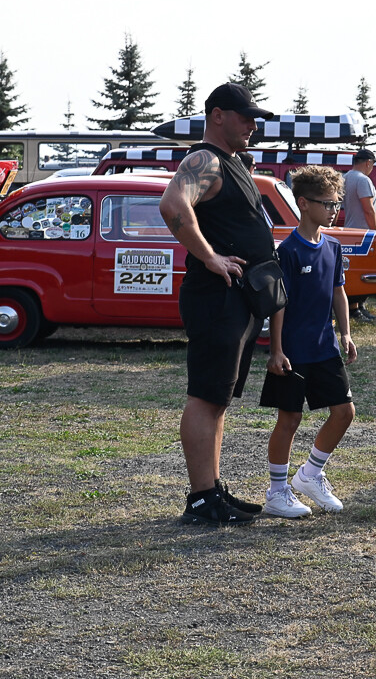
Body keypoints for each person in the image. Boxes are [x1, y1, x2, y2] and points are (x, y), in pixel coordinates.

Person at [159, 82, 275, 527]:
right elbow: (173, 205)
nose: (252, 124)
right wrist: (209, 257)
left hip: (238, 298)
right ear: (217, 115)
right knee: (206, 396)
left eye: (254, 117)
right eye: (245, 116)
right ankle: (202, 498)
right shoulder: (203, 159)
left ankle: (211, 488)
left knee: (219, 398)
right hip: (217, 296)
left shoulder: (231, 161)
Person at [260, 165, 358, 517]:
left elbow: (338, 292)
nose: (334, 210)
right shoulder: (287, 251)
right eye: (327, 204)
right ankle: (276, 492)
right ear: (303, 203)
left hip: (325, 348)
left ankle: (311, 474)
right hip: (292, 352)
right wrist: (277, 349)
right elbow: (279, 303)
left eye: (336, 204)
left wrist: (345, 332)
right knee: (289, 419)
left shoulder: (333, 246)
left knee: (344, 412)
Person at [343, 148, 376, 322]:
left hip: (352, 229)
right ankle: (354, 310)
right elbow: (368, 208)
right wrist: (375, 232)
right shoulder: (363, 180)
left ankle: (359, 306)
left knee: (354, 272)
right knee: (362, 273)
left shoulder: (346, 177)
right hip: (364, 233)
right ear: (368, 163)